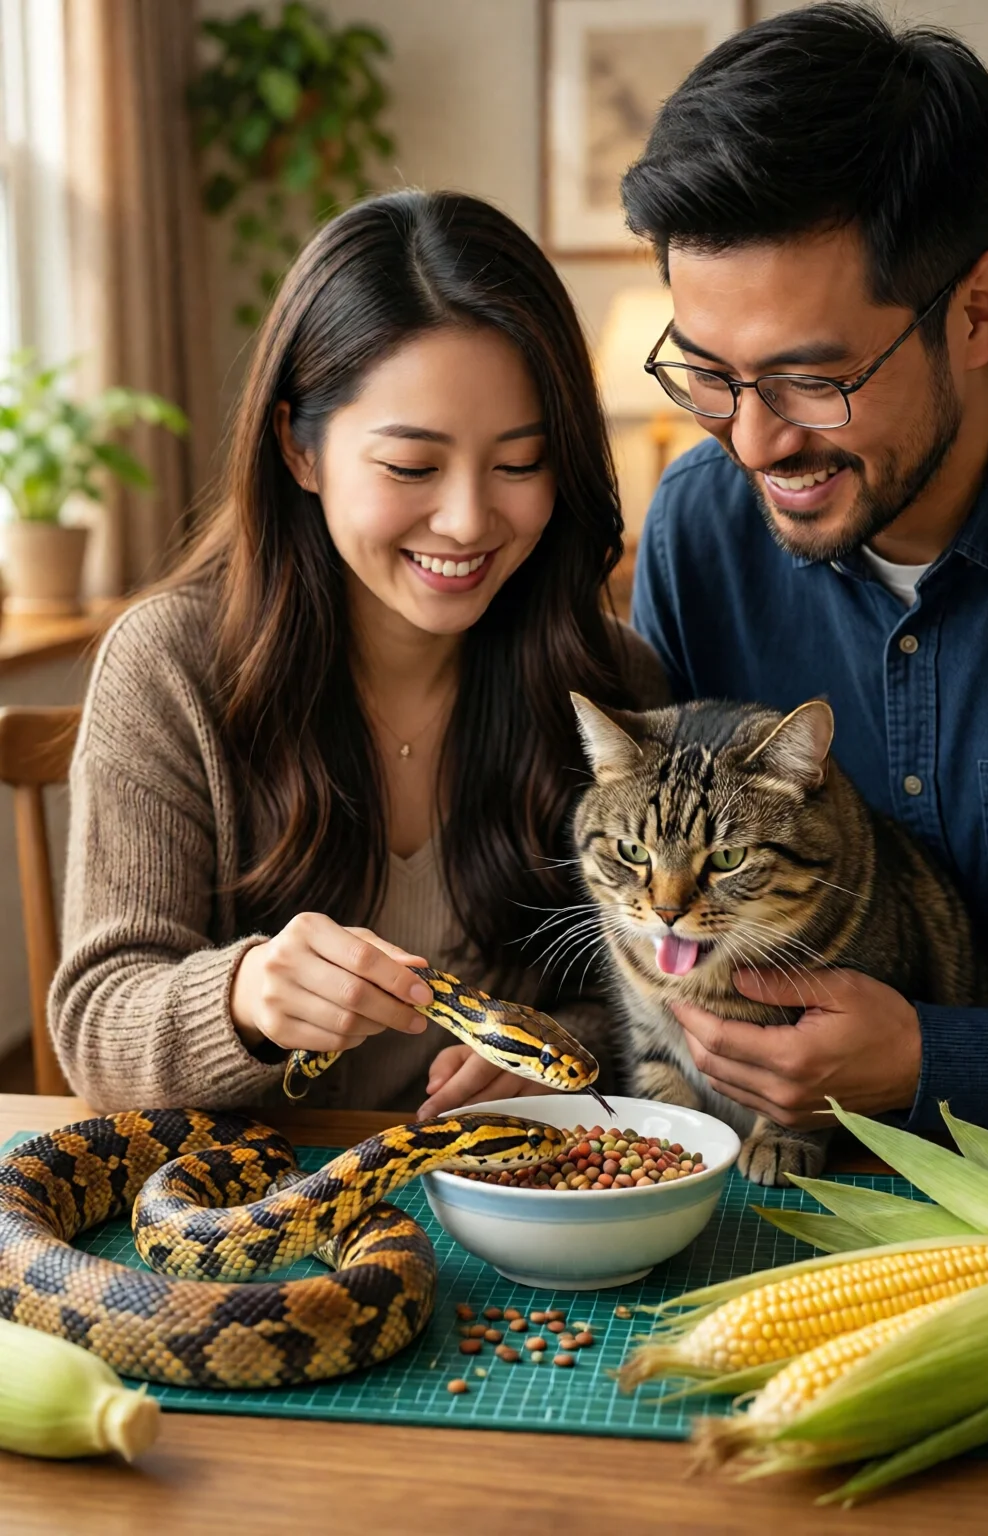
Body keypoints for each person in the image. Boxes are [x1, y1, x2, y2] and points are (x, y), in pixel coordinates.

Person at [50, 189, 665, 1117]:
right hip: (249, 1195)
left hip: (511, 1187)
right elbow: (98, 1023)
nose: (467, 520)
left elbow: (657, 989)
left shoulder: (611, 684)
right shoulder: (170, 666)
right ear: (299, 449)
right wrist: (245, 998)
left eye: (520, 463)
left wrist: (561, 1046)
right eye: (412, 466)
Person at [621, 3, 988, 1138]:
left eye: (814, 381)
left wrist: (945, 1061)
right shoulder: (699, 531)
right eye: (707, 372)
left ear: (977, 311)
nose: (753, 442)